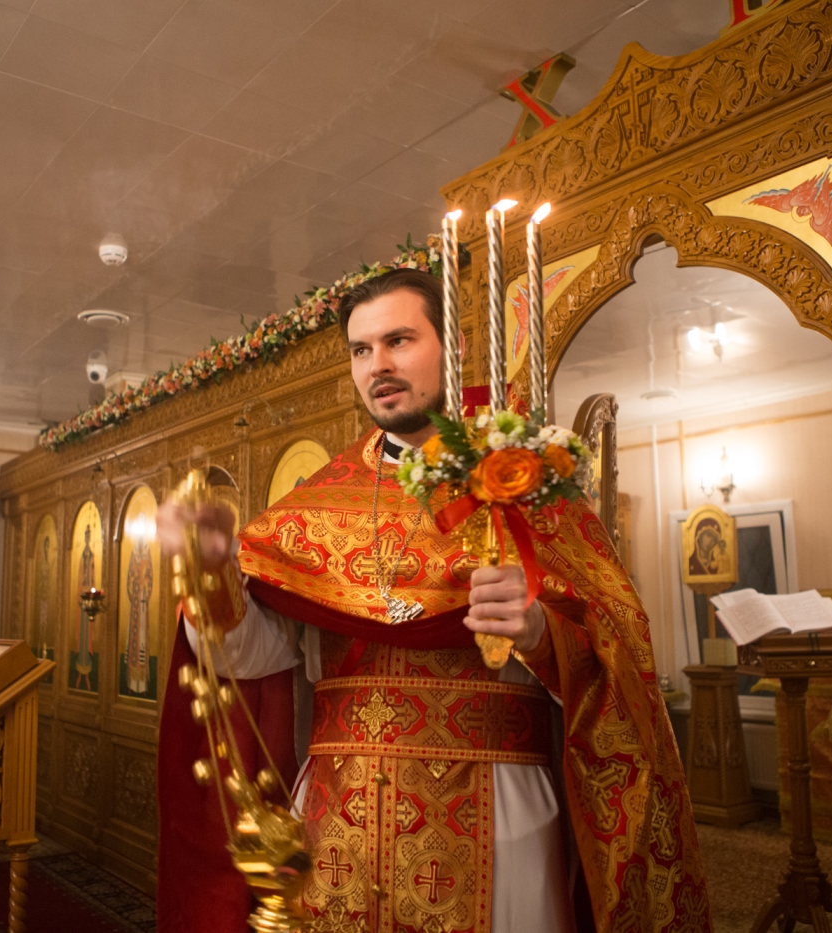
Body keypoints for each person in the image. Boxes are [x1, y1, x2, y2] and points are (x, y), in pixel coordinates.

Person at [155, 269, 707, 932]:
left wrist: (539, 632)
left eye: (398, 340)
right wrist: (213, 576)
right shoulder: (313, 504)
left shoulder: (531, 490)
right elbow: (258, 658)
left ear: (455, 346)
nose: (377, 366)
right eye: (361, 349)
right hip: (336, 817)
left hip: (500, 812)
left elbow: (617, 658)